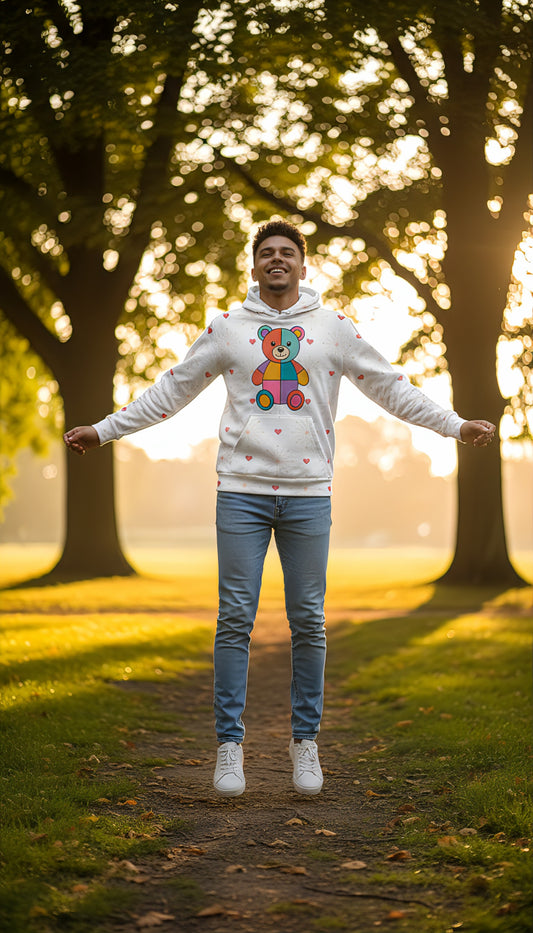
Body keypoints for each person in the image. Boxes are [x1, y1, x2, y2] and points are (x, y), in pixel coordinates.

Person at [64, 219, 495, 798]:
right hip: (240, 491)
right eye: (266, 252)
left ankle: (305, 744)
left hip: (309, 496)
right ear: (254, 266)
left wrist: (454, 425)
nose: (276, 260)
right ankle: (229, 749)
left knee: (309, 621)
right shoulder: (227, 329)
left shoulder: (334, 329)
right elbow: (170, 390)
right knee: (234, 619)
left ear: (302, 265)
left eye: (286, 253)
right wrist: (104, 430)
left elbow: (392, 387)